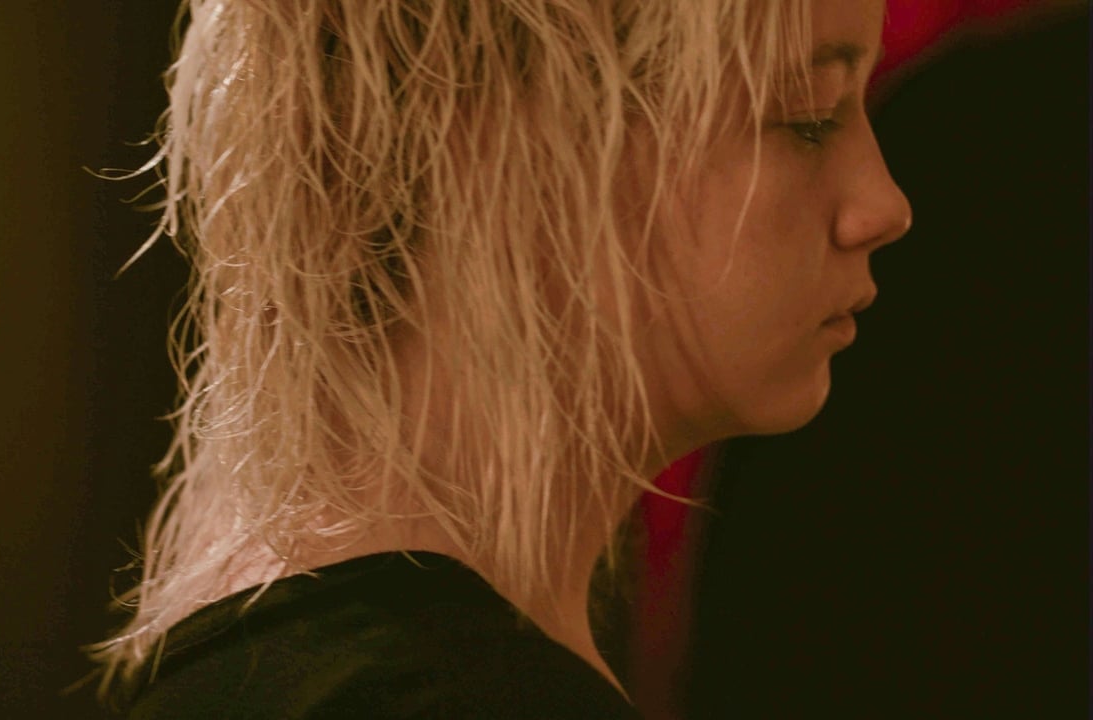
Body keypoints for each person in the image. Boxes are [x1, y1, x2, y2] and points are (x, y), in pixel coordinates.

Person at [91, 0, 911, 717]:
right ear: (505, 136)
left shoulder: (249, 659)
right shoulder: (448, 699)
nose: (884, 205)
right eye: (808, 116)